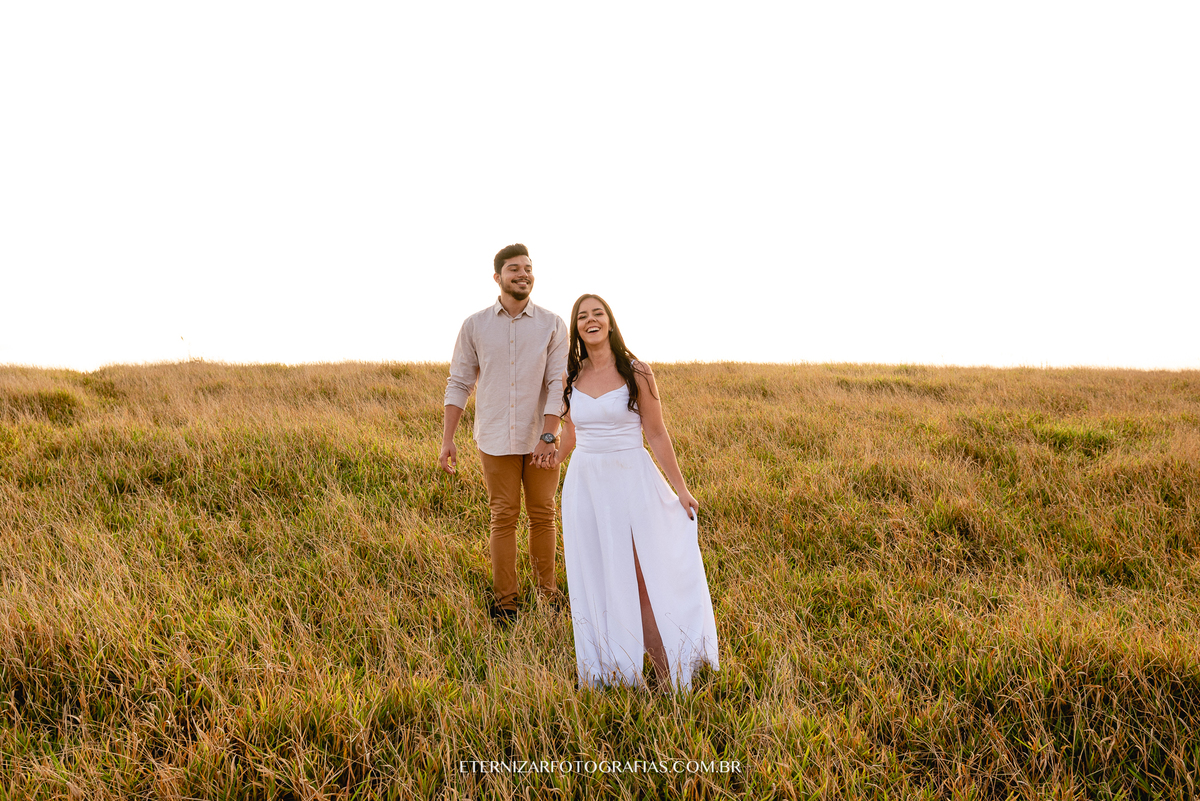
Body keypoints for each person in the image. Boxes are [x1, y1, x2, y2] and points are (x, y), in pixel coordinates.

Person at [554, 294, 719, 690]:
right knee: (598, 577)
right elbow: (570, 436)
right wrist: (549, 458)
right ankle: (620, 673)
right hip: (585, 487)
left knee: (642, 578)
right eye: (582, 316)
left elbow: (656, 433)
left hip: (631, 481)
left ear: (610, 322)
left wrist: (681, 489)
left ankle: (665, 673)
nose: (591, 320)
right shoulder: (569, 377)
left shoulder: (637, 372)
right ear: (576, 328)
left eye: (598, 313)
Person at [441, 244, 569, 625]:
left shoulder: (552, 324)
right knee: (503, 516)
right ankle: (505, 604)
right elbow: (459, 382)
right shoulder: (475, 325)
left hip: (541, 438)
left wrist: (549, 436)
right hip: (495, 437)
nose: (523, 274)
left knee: (543, 514)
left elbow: (558, 383)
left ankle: (547, 596)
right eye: (514, 269)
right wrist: (447, 439)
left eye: (528, 268)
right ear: (498, 277)